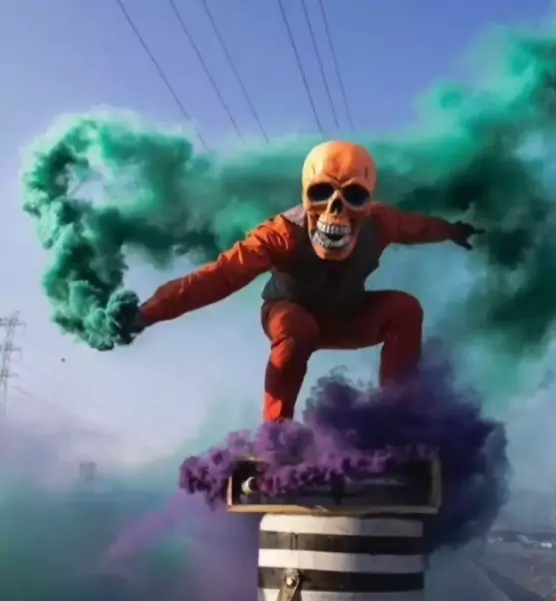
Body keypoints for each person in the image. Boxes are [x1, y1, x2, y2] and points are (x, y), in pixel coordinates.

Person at [134, 141, 483, 422]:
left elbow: (418, 227)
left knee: (404, 309)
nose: (335, 209)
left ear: (368, 202)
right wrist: (148, 312)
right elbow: (219, 276)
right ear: (306, 195)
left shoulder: (380, 223)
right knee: (295, 328)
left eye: (354, 197)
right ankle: (276, 435)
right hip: (290, 314)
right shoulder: (281, 234)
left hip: (346, 316)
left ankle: (396, 417)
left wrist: (452, 230)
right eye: (322, 194)